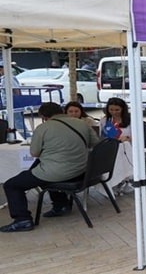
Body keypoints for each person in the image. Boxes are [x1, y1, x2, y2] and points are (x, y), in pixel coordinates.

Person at [1, 102, 100, 232]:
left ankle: (22, 220)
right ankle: (60, 205)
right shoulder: (81, 123)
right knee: (42, 171)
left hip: (58, 173)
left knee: (12, 185)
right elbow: (95, 143)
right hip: (82, 171)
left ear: (43, 116)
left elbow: (34, 153)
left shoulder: (43, 128)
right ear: (62, 111)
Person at [0, 61, 27, 139]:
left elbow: (16, 91)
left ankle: (28, 138)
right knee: (8, 123)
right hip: (7, 104)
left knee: (18, 123)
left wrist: (17, 102)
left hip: (13, 104)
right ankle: (10, 138)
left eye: (1, 68)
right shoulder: (4, 78)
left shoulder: (9, 78)